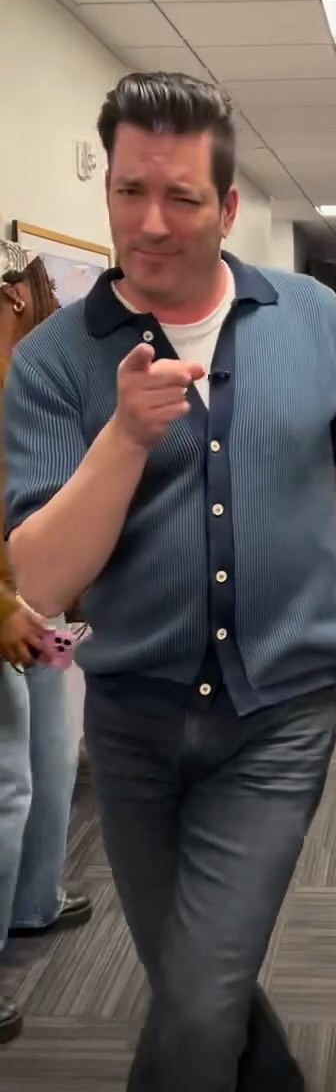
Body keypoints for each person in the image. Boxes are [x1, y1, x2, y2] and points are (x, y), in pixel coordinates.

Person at [4, 72, 336, 1092]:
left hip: (279, 719)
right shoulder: (51, 361)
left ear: (226, 206)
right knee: (198, 987)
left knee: (193, 1006)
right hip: (133, 727)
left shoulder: (313, 318)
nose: (150, 222)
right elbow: (37, 578)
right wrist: (124, 438)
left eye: (180, 197)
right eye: (129, 191)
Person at [0, 261, 92, 1046]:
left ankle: (34, 900)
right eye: (47, 294)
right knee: (6, 786)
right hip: (7, 610)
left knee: (48, 759)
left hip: (38, 602)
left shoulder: (26, 377)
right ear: (16, 296)